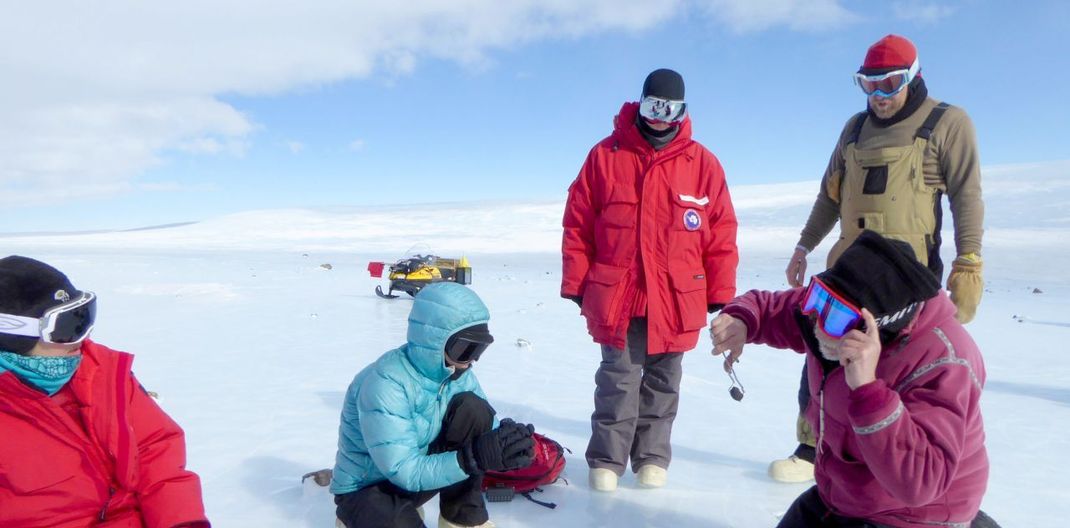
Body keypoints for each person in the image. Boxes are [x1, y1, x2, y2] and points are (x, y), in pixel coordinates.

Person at [774, 34, 986, 482]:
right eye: (868, 86)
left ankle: (894, 463)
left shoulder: (948, 123)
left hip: (907, 281)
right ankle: (814, 448)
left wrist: (969, 263)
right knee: (822, 355)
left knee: (895, 371)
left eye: (889, 84)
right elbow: (829, 197)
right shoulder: (853, 128)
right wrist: (803, 245)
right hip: (847, 274)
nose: (879, 97)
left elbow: (967, 197)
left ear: (913, 76)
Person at [711, 231, 992, 527]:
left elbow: (920, 481)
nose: (817, 319)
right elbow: (774, 308)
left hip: (916, 516)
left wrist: (869, 390)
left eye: (833, 317)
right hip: (846, 494)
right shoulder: (833, 310)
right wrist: (743, 319)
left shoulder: (944, 361)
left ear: (876, 328)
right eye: (818, 298)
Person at [561, 68, 738, 491]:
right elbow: (578, 225)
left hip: (676, 298)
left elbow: (722, 232)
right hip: (616, 294)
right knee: (617, 381)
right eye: (652, 106)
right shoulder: (606, 155)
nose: (659, 116)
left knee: (663, 382)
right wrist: (576, 283)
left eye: (668, 109)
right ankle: (606, 461)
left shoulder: (703, 164)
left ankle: (652, 458)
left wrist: (719, 292)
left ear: (682, 112)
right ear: (640, 104)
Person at [0, 255, 210, 528]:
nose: (83, 336)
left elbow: (154, 449)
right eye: (67, 326)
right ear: (14, 335)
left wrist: (182, 521)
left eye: (84, 316)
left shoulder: (103, 372)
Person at [330, 282, 535, 528]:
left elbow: (484, 429)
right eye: (465, 349)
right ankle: (352, 520)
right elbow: (403, 469)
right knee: (396, 520)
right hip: (368, 489)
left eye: (479, 349)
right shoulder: (386, 383)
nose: (471, 360)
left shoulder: (456, 371)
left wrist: (507, 443)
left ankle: (461, 519)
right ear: (432, 342)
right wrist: (473, 458)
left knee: (473, 409)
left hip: (418, 476)